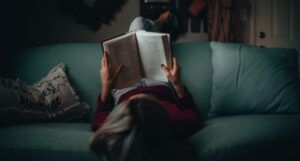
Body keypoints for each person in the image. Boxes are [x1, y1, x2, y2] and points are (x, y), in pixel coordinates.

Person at [90, 17, 202, 161]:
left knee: (137, 27)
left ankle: (153, 29)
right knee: (142, 26)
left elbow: (97, 123)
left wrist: (106, 86)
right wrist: (177, 85)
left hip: (124, 86)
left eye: (132, 105)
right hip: (157, 83)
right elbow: (192, 113)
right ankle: (155, 30)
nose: (140, 98)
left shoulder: (117, 129)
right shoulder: (175, 124)